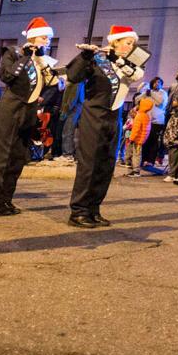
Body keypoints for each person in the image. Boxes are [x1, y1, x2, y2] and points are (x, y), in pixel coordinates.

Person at [65, 26, 145, 227]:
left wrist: (119, 60)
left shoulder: (126, 63)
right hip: (94, 115)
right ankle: (79, 211)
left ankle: (93, 208)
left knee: (106, 165)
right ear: (115, 42)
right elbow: (73, 76)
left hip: (114, 117)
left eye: (132, 43)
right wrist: (85, 56)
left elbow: (137, 75)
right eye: (127, 42)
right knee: (89, 164)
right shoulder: (96, 59)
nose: (130, 47)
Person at [0, 17, 62, 215]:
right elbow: (7, 76)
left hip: (29, 111)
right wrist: (26, 57)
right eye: (44, 37)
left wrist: (44, 94)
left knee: (18, 157)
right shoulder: (13, 52)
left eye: (49, 38)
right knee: (3, 156)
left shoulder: (43, 60)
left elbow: (53, 85)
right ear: (33, 37)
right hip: (12, 107)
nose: (47, 41)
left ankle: (6, 199)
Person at [140, 77, 167, 168]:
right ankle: (143, 159)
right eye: (155, 82)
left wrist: (151, 94)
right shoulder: (149, 92)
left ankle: (150, 161)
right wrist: (144, 93)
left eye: (159, 82)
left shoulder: (163, 93)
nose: (157, 84)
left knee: (154, 141)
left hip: (157, 122)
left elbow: (160, 102)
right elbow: (138, 100)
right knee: (145, 141)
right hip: (147, 120)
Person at [124, 95, 154, 176]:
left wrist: (131, 138)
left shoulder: (139, 116)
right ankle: (135, 169)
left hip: (137, 139)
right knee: (137, 154)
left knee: (136, 155)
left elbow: (136, 129)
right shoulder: (146, 116)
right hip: (141, 139)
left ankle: (136, 171)